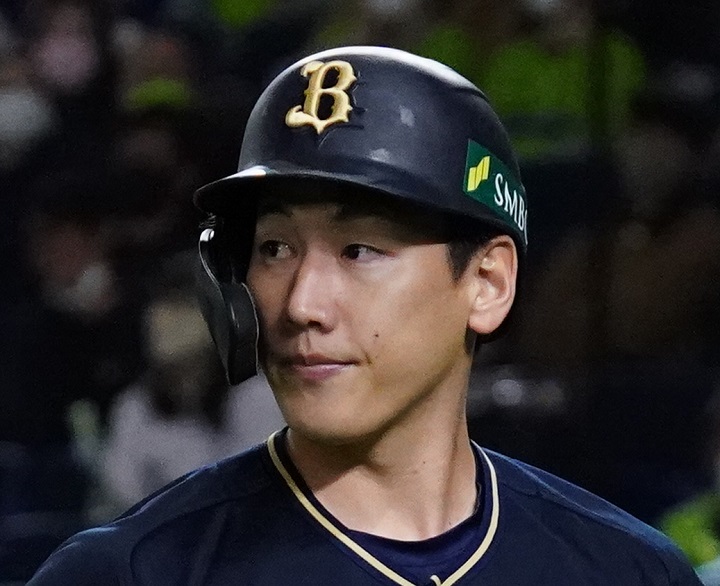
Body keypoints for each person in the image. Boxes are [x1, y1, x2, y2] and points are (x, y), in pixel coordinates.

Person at [28, 45, 700, 585]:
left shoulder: (627, 570)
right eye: (275, 248)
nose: (301, 304)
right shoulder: (129, 572)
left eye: (360, 250)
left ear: (487, 283)